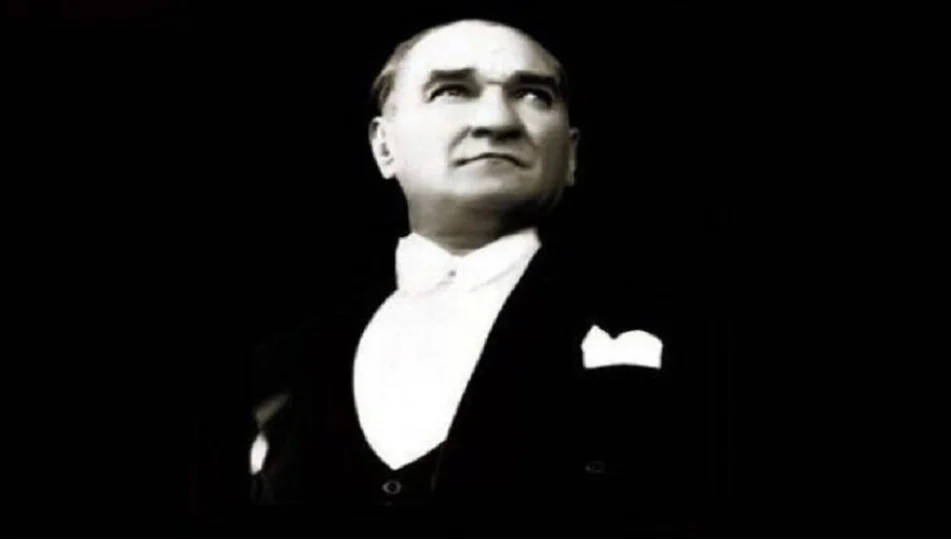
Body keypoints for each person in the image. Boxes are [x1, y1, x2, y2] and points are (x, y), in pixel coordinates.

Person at [242, 18, 718, 535]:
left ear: (571, 155)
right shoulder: (282, 366)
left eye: (533, 95)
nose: (497, 121)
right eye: (451, 91)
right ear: (384, 147)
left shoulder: (678, 329)